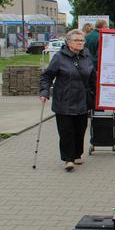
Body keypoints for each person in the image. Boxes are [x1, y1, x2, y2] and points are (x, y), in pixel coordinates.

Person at [39, 29, 96, 172]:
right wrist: (45, 92)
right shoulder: (59, 57)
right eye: (77, 40)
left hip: (82, 99)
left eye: (82, 40)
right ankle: (68, 159)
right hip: (64, 100)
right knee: (66, 131)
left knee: (80, 129)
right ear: (69, 42)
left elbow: (93, 77)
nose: (80, 43)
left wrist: (98, 95)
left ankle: (77, 154)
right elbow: (47, 76)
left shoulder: (86, 57)